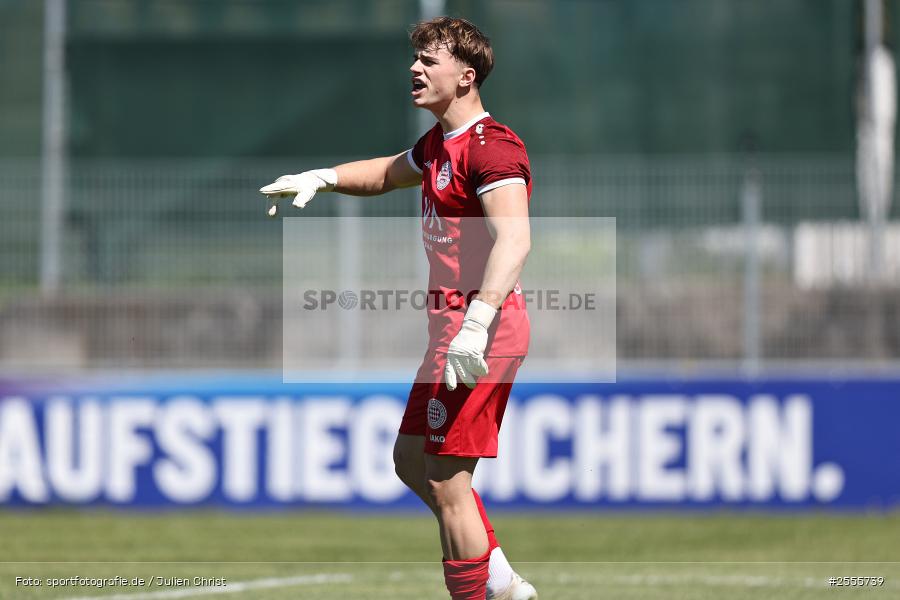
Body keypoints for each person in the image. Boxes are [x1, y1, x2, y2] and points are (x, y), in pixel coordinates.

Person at [261, 16, 536, 600]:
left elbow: (515, 240)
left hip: (480, 336)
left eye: (429, 60)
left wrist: (477, 323)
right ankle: (500, 579)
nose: (415, 68)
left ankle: (489, 590)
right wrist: (323, 176)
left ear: (465, 77)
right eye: (416, 58)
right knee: (412, 460)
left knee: (447, 481)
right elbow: (388, 173)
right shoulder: (440, 144)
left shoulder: (493, 147)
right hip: (451, 335)